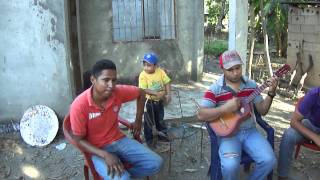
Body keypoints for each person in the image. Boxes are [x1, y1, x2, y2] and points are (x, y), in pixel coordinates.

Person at [69, 59, 163, 179]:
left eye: (114, 80)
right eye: (106, 80)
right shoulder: (79, 105)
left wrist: (138, 120)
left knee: (156, 163)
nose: (111, 85)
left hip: (118, 140)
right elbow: (78, 139)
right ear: (93, 80)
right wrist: (105, 154)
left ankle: (127, 176)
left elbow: (141, 93)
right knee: (123, 178)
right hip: (96, 149)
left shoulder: (117, 92)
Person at [197, 50, 277, 180]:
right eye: (230, 70)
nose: (235, 73)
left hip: (250, 131)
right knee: (230, 166)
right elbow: (201, 114)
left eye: (238, 68)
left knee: (269, 160)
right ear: (222, 69)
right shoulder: (215, 89)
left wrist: (271, 94)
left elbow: (262, 110)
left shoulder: (251, 85)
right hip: (228, 135)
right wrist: (225, 108)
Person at [278, 87, 320, 180]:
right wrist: (315, 137)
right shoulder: (313, 94)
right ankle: (282, 176)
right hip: (310, 125)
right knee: (289, 135)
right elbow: (294, 122)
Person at [138, 53, 171, 146]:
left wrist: (168, 94)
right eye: (144, 65)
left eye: (149, 65)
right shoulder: (143, 75)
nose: (146, 67)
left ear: (156, 66)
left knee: (160, 119)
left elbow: (167, 82)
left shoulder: (160, 72)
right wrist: (157, 93)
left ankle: (162, 137)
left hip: (159, 102)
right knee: (148, 122)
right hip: (149, 102)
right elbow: (144, 89)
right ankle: (149, 140)